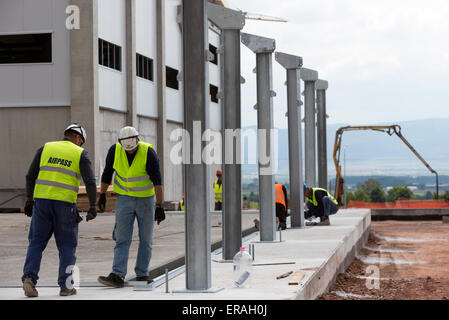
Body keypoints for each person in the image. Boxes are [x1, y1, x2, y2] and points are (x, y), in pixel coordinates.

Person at [22, 124, 97, 297]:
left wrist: (28, 199)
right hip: (64, 206)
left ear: (66, 135)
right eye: (81, 142)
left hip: (41, 203)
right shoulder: (80, 153)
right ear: (78, 139)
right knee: (67, 246)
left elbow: (29, 176)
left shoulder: (45, 148)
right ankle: (66, 286)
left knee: (36, 243)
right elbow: (90, 182)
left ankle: (29, 279)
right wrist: (92, 206)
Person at [97, 126, 165, 288]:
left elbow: (157, 181)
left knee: (146, 239)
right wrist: (102, 194)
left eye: (132, 149)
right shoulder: (115, 151)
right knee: (122, 238)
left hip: (146, 201)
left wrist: (160, 205)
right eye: (127, 149)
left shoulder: (148, 153)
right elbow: (107, 173)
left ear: (137, 141)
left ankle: (142, 274)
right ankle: (117, 274)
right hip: (124, 199)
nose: (130, 152)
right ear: (121, 143)